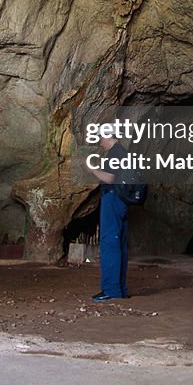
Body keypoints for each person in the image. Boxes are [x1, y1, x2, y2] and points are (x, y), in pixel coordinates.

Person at [90, 129, 130, 301]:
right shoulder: (124, 152)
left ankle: (111, 290)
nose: (100, 142)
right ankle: (120, 289)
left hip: (112, 198)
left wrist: (92, 170)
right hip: (122, 201)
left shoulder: (115, 153)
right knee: (119, 244)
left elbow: (110, 178)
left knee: (109, 243)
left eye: (101, 138)